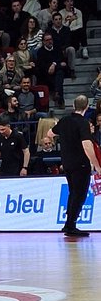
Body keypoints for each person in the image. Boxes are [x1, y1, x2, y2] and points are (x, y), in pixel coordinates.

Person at [56, 94, 101, 237]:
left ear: (73, 106)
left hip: (67, 163)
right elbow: (87, 145)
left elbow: (50, 133)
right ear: (87, 107)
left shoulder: (64, 120)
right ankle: (71, 225)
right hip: (80, 164)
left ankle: (68, 224)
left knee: (73, 193)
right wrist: (97, 165)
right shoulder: (83, 123)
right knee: (79, 195)